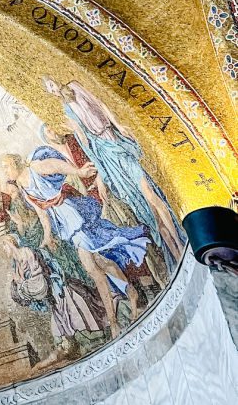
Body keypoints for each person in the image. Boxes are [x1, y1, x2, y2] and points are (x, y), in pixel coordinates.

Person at [2, 148, 147, 337]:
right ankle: (131, 291)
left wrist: (78, 172)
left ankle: (113, 323)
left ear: (15, 163)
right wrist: (48, 236)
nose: (5, 171)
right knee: (101, 263)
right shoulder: (22, 187)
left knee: (92, 270)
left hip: (74, 215)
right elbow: (42, 212)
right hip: (64, 224)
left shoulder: (34, 167)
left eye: (6, 167)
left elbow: (55, 165)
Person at [42, 78, 184, 268]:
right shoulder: (67, 112)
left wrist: (118, 125)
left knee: (150, 194)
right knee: (145, 208)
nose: (53, 88)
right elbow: (85, 140)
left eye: (52, 83)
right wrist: (98, 170)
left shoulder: (75, 86)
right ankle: (173, 250)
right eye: (49, 88)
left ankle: (180, 242)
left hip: (115, 143)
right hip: (106, 154)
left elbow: (99, 103)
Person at [2, 234, 104, 365]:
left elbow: (37, 282)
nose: (4, 250)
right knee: (61, 321)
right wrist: (22, 286)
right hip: (50, 296)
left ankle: (89, 342)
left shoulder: (26, 252)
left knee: (72, 314)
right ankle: (70, 347)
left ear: (11, 243)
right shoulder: (15, 263)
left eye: (4, 246)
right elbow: (24, 285)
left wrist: (22, 285)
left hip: (57, 289)